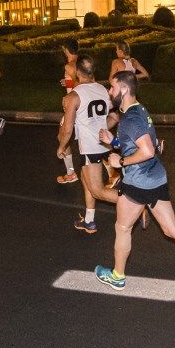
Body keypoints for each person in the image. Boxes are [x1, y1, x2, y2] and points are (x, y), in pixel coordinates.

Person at [94, 71, 175, 299]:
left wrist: (120, 160)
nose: (109, 91)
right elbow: (139, 143)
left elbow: (147, 150)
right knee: (170, 228)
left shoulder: (131, 119)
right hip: (156, 178)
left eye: (112, 87)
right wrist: (114, 141)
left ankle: (117, 276)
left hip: (137, 182)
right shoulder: (139, 110)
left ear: (123, 89)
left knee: (123, 228)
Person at [59, 54, 121, 234]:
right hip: (104, 145)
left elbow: (68, 129)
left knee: (97, 191)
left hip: (90, 148)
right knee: (85, 178)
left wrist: (61, 147)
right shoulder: (102, 89)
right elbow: (115, 116)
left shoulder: (75, 96)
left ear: (78, 71)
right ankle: (89, 221)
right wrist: (100, 130)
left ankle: (136, 203)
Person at [56, 39, 81, 184]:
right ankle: (110, 167)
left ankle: (71, 173)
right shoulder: (83, 63)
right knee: (91, 139)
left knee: (62, 137)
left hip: (74, 107)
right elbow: (89, 82)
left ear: (66, 49)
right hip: (82, 106)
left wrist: (69, 84)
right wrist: (69, 83)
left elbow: (81, 84)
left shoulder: (69, 65)